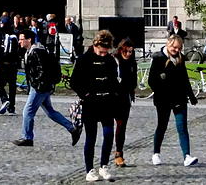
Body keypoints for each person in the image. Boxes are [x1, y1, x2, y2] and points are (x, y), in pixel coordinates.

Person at [13, 29, 81, 147]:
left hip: (40, 87)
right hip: (41, 86)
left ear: (29, 40)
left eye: (21, 39)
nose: (19, 41)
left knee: (27, 112)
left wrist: (37, 85)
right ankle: (72, 129)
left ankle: (27, 137)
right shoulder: (32, 51)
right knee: (50, 111)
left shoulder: (36, 52)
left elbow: (42, 71)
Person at [71, 30, 119, 182]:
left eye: (106, 52)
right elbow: (74, 82)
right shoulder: (84, 59)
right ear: (95, 45)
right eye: (101, 52)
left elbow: (113, 80)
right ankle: (89, 170)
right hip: (90, 104)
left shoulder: (110, 60)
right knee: (91, 137)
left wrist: (114, 93)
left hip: (107, 102)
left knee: (109, 134)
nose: (103, 54)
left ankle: (104, 166)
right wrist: (85, 94)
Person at [149, 34, 198, 167]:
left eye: (179, 48)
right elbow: (151, 81)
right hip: (163, 99)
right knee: (162, 126)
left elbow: (184, 78)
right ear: (168, 44)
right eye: (174, 48)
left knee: (182, 127)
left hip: (179, 98)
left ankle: (187, 156)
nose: (177, 50)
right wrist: (162, 88)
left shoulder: (180, 58)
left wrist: (191, 96)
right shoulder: (158, 58)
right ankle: (156, 153)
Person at [112, 37, 138, 167]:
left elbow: (134, 81)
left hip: (124, 98)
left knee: (121, 127)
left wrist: (131, 89)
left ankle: (119, 153)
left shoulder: (132, 63)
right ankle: (105, 155)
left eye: (131, 51)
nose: (128, 54)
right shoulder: (114, 61)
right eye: (126, 51)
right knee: (108, 127)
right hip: (111, 98)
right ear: (121, 49)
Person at [0, 15, 19, 116]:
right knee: (12, 86)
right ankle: (11, 108)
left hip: (3, 63)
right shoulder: (14, 34)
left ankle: (4, 99)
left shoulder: (0, 33)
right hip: (13, 64)